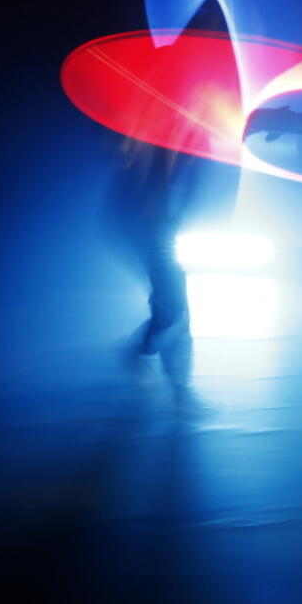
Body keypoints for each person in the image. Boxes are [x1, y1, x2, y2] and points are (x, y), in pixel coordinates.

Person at [102, 136, 204, 414]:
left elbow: (182, 186)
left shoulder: (178, 139)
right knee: (173, 309)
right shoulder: (153, 136)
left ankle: (179, 390)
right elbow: (119, 154)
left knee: (177, 311)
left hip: (158, 228)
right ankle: (141, 355)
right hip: (147, 228)